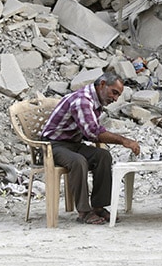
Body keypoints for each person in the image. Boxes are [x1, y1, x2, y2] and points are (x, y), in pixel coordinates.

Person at [41, 71, 141, 225]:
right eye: (114, 93)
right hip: (52, 147)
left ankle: (99, 206)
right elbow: (93, 132)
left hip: (73, 144)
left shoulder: (95, 102)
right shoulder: (83, 100)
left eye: (117, 96)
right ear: (102, 85)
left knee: (103, 156)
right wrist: (124, 141)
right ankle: (84, 212)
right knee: (78, 161)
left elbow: (89, 132)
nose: (114, 99)